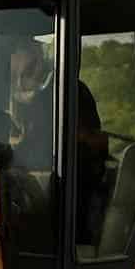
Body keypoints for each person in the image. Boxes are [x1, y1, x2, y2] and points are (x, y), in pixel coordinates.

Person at [8, 40, 112, 244]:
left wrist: (12, 154)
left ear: (34, 59)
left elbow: (45, 144)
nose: (13, 62)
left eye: (16, 54)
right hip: (55, 182)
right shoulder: (37, 96)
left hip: (71, 192)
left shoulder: (63, 92)